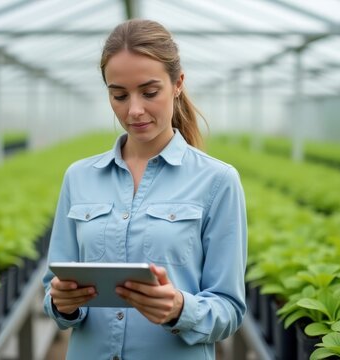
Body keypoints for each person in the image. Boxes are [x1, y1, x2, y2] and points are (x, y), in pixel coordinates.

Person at [42, 18, 247, 360]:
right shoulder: (78, 178)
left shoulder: (217, 181)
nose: (133, 110)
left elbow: (229, 310)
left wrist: (181, 308)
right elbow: (53, 289)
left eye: (149, 92)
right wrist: (62, 303)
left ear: (178, 83)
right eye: (119, 95)